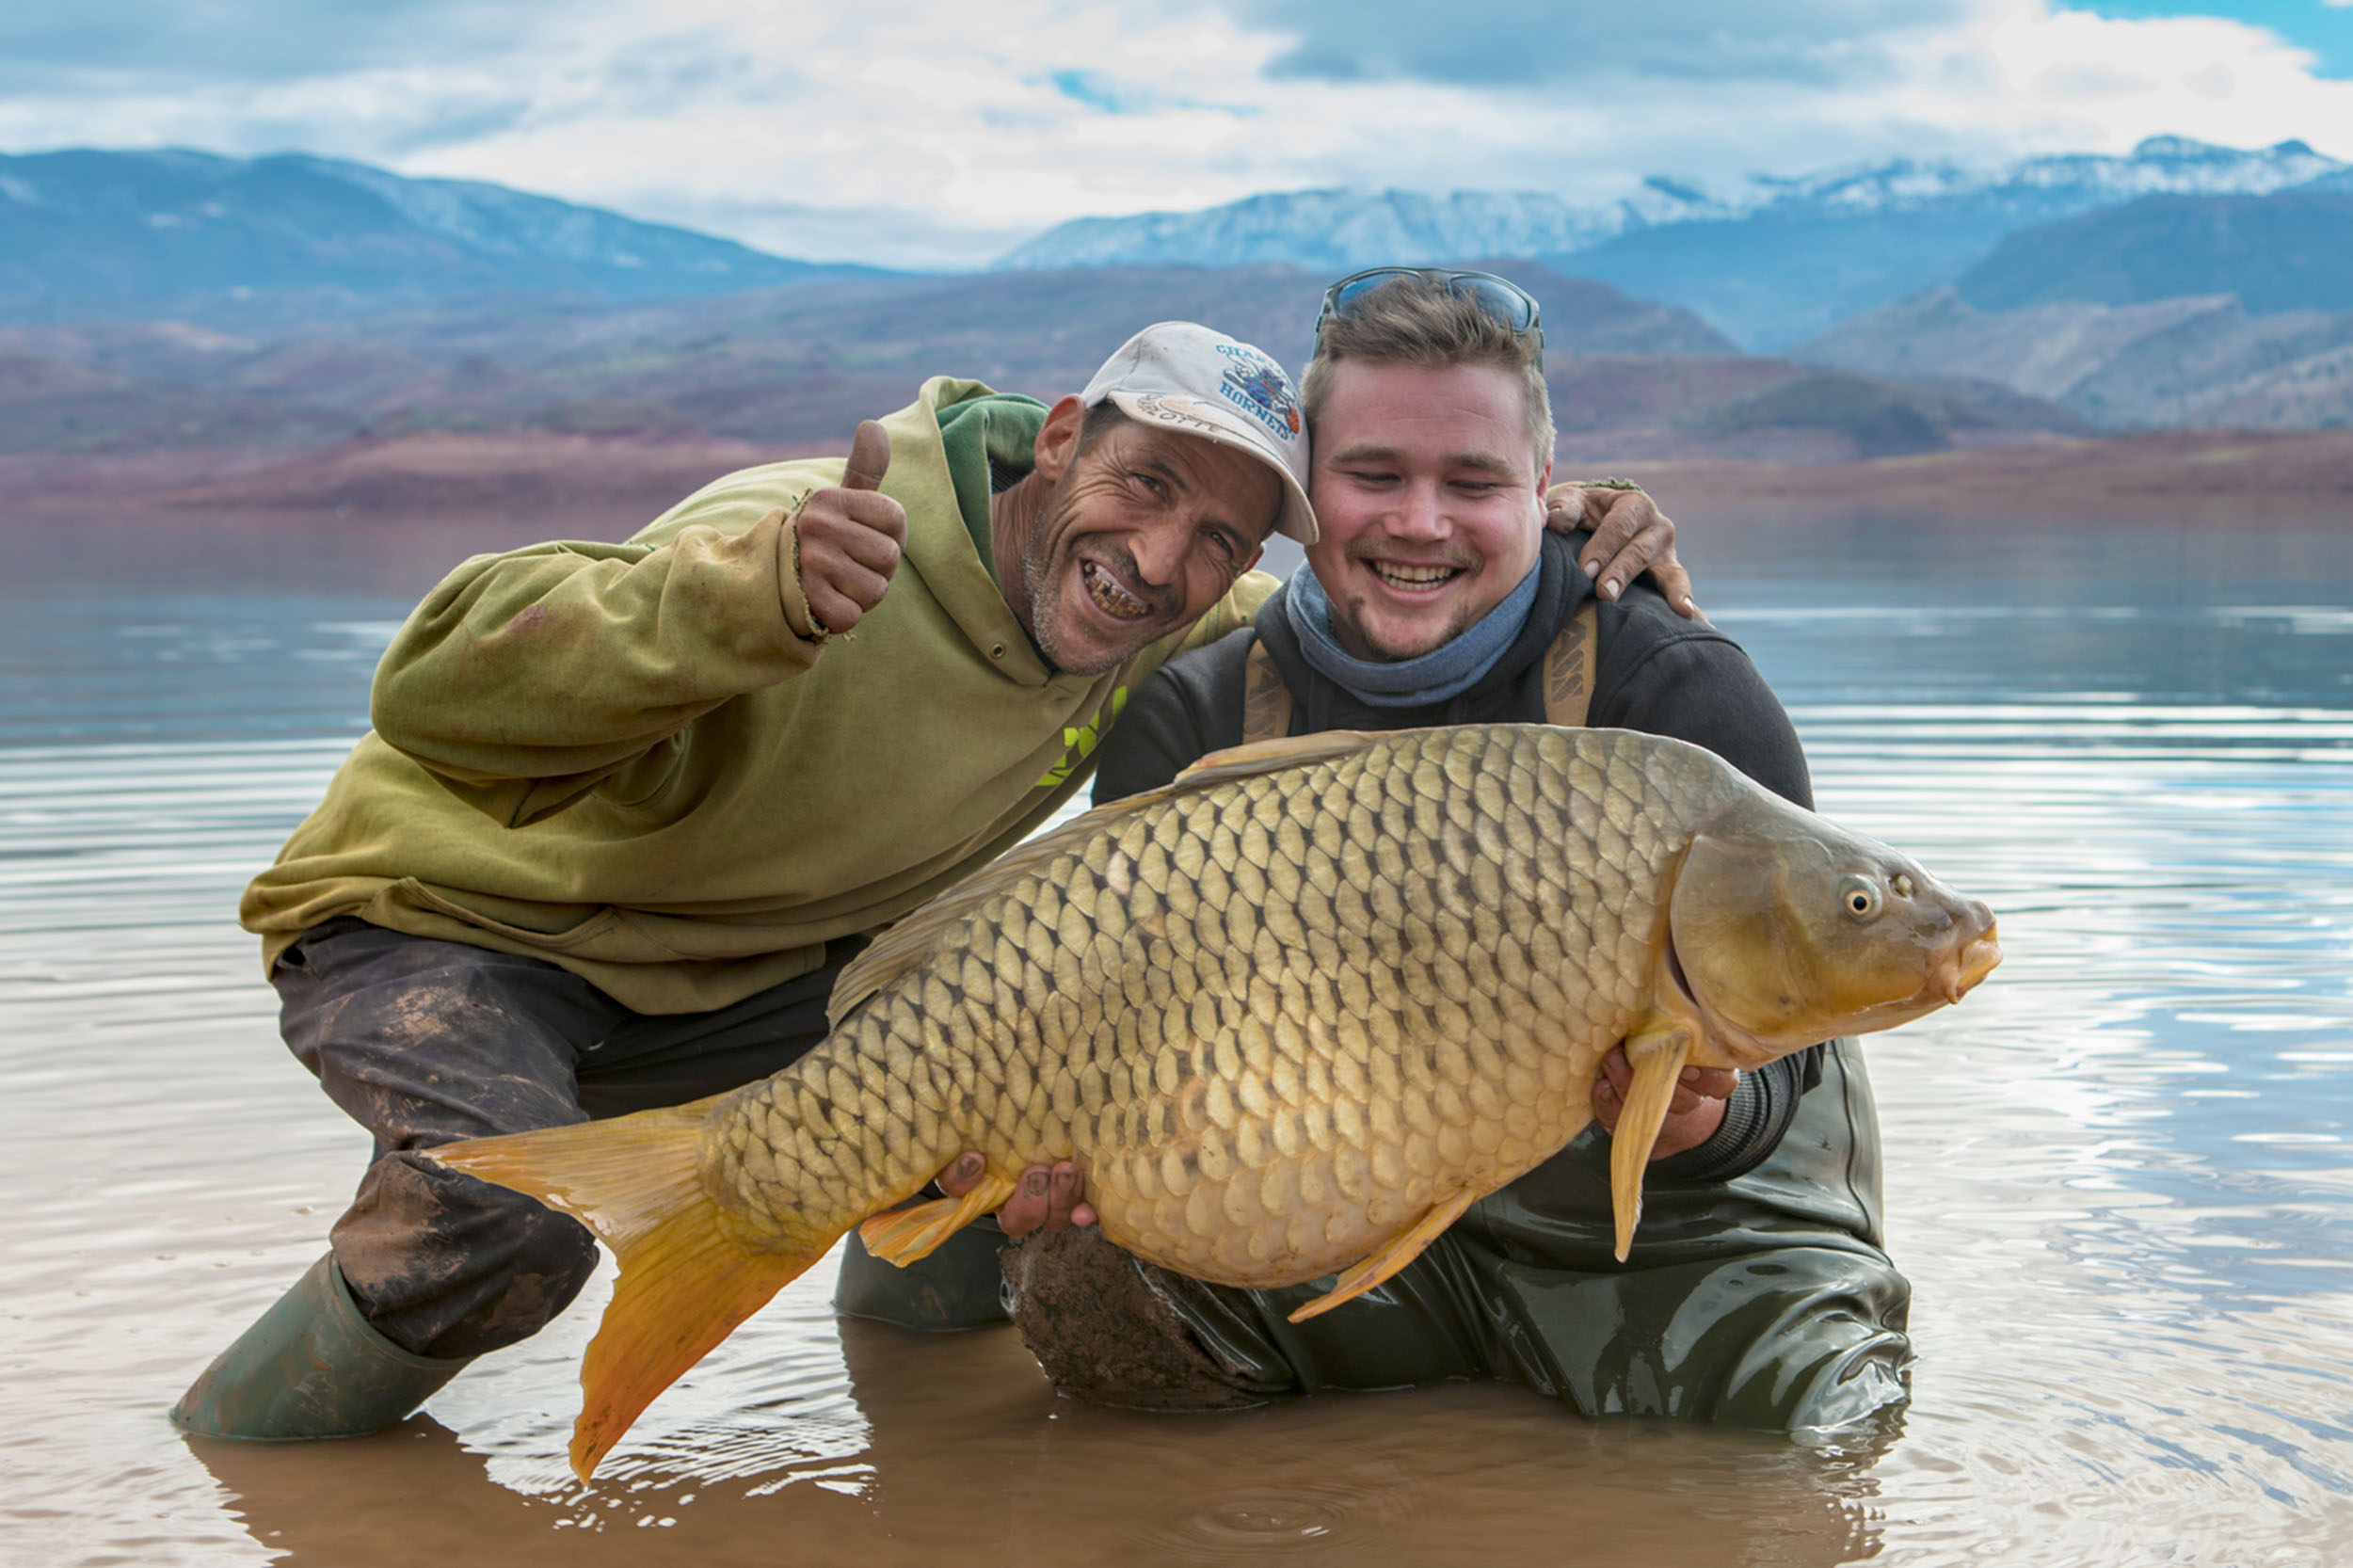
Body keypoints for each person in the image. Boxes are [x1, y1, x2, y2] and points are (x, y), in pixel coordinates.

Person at [173, 317, 1689, 1442]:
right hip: (457, 928)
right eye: (1144, 484)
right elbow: (429, 689)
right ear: (1060, 436)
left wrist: (1564, 521)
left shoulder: (1167, 612)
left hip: (752, 980)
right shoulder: (816, 535)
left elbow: (1385, 582)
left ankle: (919, 1478)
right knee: (496, 1227)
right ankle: (243, 1466)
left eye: (1213, 532)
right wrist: (737, 603)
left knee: (1002, 1119)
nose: (1160, 558)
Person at [993, 270, 1913, 1432]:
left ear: (1545, 490)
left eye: (1471, 482)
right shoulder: (1197, 712)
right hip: (1337, 1225)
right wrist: (1077, 1160)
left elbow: (1795, 1047)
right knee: (1072, 1274)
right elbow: (1118, 1035)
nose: (1417, 522)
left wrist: (1705, 1118)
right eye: (1373, 475)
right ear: (1303, 494)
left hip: (1685, 1240)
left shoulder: (1671, 685)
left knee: (1826, 1426)